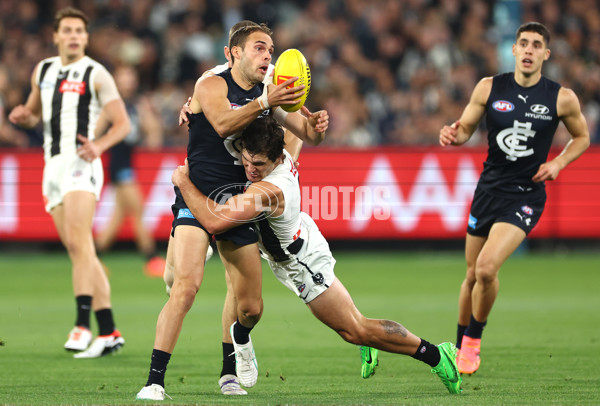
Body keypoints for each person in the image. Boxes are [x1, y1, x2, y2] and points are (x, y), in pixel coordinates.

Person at [171, 116, 462, 394]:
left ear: (275, 158)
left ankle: (436, 355)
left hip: (301, 263)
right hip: (294, 239)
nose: (250, 169)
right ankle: (242, 345)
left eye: (258, 164)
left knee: (354, 329)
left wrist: (184, 183)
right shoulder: (277, 152)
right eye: (246, 161)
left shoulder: (271, 190)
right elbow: (294, 124)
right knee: (242, 291)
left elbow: (215, 220)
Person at [136, 23, 329, 401]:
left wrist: (317, 127)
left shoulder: (270, 88)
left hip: (239, 203)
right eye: (259, 48)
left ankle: (228, 372)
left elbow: (305, 132)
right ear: (233, 53)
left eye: (270, 50)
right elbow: (223, 123)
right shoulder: (211, 84)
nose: (268, 56)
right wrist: (265, 102)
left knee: (249, 306)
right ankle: (154, 381)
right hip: (199, 196)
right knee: (185, 288)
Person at [439, 22, 590, 375]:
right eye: (523, 43)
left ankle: (474, 339)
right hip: (488, 190)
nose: (528, 50)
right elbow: (465, 129)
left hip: (525, 195)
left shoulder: (561, 97)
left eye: (536, 45)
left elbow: (581, 137)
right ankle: (459, 346)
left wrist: (558, 163)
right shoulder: (490, 87)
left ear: (545, 55)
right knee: (472, 276)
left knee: (487, 269)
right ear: (513, 49)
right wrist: (452, 133)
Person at [8, 7, 131, 358]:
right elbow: (34, 111)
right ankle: (109, 332)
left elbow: (122, 124)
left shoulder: (96, 74)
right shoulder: (43, 70)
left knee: (79, 245)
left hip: (82, 163)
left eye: (80, 30)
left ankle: (81, 325)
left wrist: (99, 145)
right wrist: (24, 116)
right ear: (56, 36)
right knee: (81, 251)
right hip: (53, 168)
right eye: (68, 30)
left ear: (86, 38)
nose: (75, 35)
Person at [93, 65, 166, 278]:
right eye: (123, 77)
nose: (128, 81)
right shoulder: (111, 105)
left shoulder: (135, 104)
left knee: (119, 215)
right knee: (138, 209)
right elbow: (95, 132)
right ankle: (151, 257)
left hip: (127, 163)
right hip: (118, 164)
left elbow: (152, 133)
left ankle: (94, 258)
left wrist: (146, 113)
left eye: (130, 77)